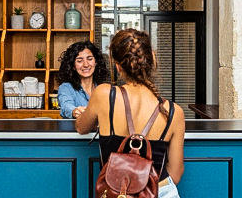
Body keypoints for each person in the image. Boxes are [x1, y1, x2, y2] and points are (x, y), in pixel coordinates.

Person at [76, 29, 185, 197]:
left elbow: (82, 128)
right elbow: (176, 173)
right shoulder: (174, 112)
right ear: (153, 59)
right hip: (160, 190)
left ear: (118, 66)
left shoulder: (104, 94)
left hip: (117, 192)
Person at [57, 41, 109, 119]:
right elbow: (66, 106)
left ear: (96, 62)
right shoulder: (66, 88)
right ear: (73, 66)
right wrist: (74, 111)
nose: (86, 64)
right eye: (79, 61)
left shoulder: (103, 89)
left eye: (90, 59)